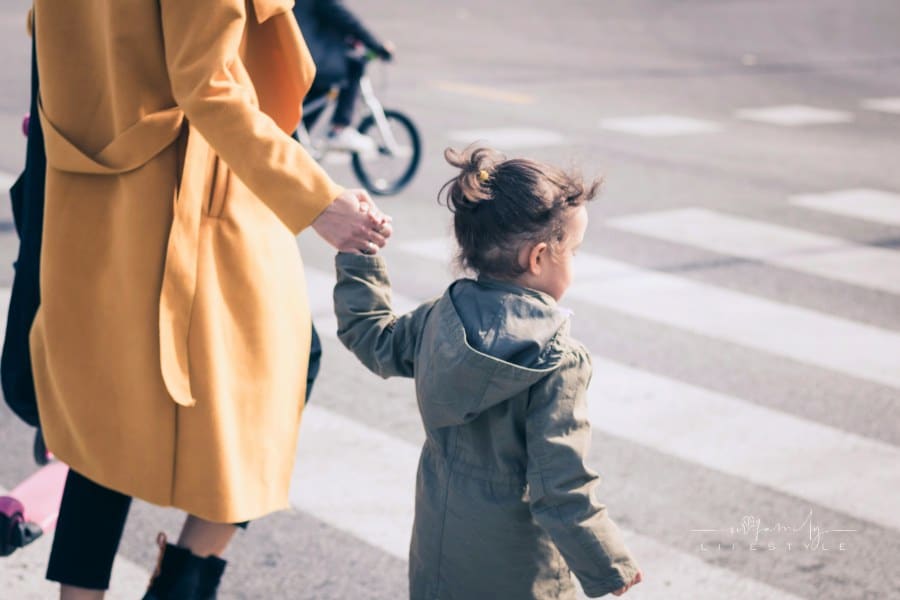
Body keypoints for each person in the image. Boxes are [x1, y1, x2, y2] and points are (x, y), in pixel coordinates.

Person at [28, 1, 391, 598]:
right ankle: (186, 580)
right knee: (286, 370)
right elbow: (209, 84)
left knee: (106, 416)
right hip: (188, 191)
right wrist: (316, 200)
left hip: (89, 180)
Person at [332, 146, 643, 599]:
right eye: (573, 251)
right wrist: (607, 565)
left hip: (440, 553)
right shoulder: (557, 359)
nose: (575, 262)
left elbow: (373, 338)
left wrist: (359, 254)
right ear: (538, 258)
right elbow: (560, 485)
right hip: (519, 571)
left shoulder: (442, 317)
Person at [292, 0, 394, 152]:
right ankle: (339, 129)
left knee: (316, 100)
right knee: (354, 66)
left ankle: (295, 137)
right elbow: (346, 19)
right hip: (312, 59)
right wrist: (377, 46)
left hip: (295, 54)